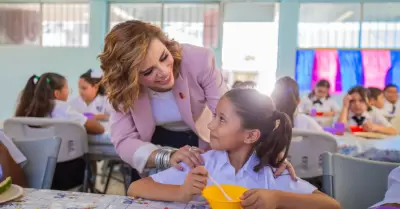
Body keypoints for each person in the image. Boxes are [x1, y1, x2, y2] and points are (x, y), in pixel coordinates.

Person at [98, 20, 296, 180]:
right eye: (148, 72)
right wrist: (165, 156)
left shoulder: (198, 60)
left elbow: (234, 114)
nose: (164, 72)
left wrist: (266, 154)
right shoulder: (122, 88)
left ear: (166, 45)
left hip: (204, 136)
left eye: (164, 57)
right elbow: (124, 140)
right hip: (150, 144)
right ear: (129, 78)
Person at [127, 89, 341, 209]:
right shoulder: (202, 163)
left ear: (250, 135)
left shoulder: (271, 171)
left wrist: (277, 198)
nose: (210, 125)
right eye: (214, 117)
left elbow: (331, 205)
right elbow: (135, 189)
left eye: (222, 119)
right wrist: (182, 192)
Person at [15, 73, 105, 190]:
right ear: (57, 94)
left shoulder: (23, 109)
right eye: (68, 89)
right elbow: (99, 129)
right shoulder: (63, 108)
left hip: (30, 172)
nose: (69, 93)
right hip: (64, 174)